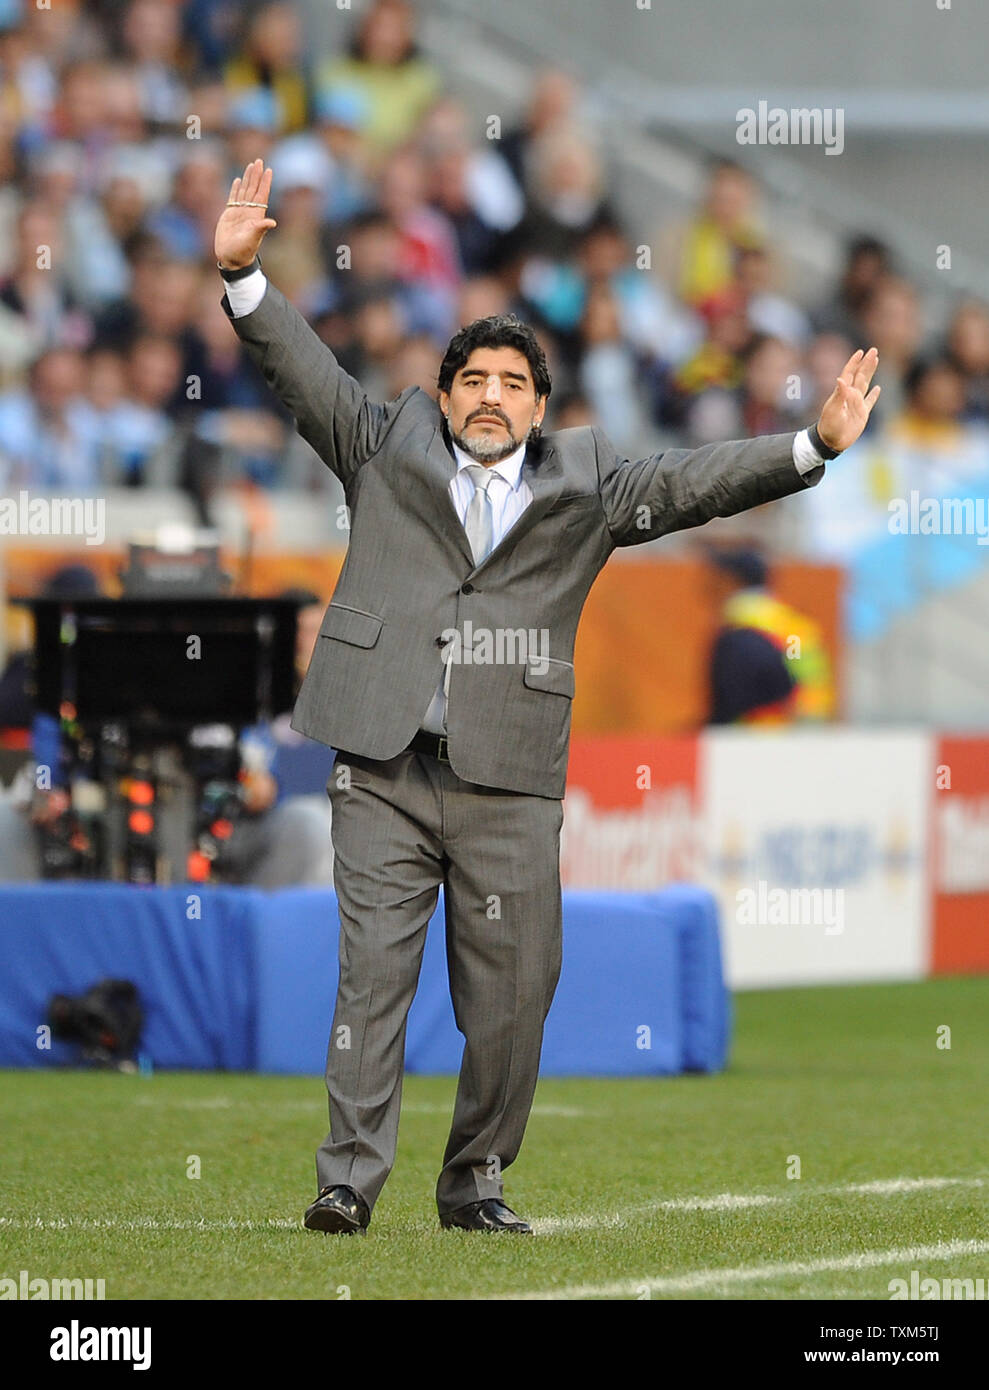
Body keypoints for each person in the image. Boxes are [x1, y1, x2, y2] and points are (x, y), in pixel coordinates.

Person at [214, 159, 881, 1235]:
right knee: (369, 983)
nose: (488, 395)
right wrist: (244, 276)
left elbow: (693, 482)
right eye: (471, 378)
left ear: (537, 407)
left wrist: (809, 445)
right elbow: (304, 372)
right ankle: (346, 1179)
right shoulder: (381, 446)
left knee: (512, 999)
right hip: (380, 767)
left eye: (510, 383)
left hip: (508, 779)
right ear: (443, 395)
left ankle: (472, 1179)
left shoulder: (590, 486)